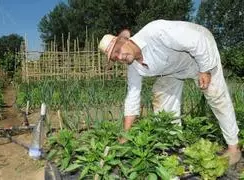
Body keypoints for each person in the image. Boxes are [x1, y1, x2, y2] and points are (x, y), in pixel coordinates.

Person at [98, 19, 241, 165]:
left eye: (118, 51)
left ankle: (233, 148)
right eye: (116, 58)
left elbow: (197, 40)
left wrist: (205, 69)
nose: (120, 57)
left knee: (216, 95)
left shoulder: (155, 31)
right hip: (174, 69)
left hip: (200, 52)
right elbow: (132, 97)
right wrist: (125, 135)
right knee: (161, 94)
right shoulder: (133, 66)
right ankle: (174, 143)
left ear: (124, 40)